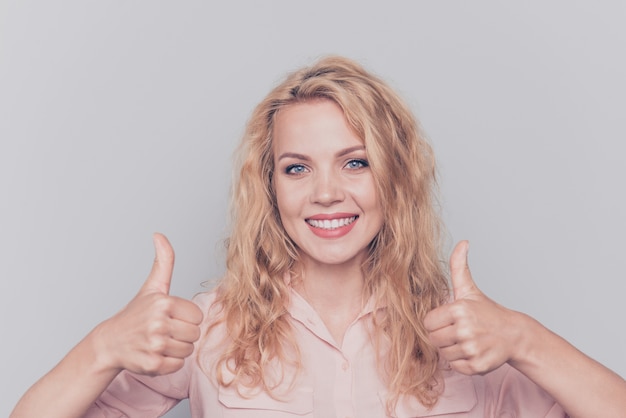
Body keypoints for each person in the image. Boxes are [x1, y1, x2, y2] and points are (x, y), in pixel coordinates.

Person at [11, 56, 626, 418]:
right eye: (297, 167)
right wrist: (102, 347)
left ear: (397, 176)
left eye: (355, 162)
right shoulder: (203, 330)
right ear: (271, 187)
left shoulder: (465, 338)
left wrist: (526, 338)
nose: (325, 192)